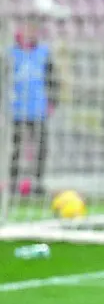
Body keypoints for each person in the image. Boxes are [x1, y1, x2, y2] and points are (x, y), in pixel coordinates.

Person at [4, 21, 59, 196]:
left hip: (39, 109)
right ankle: (13, 183)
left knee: (41, 148)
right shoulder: (10, 55)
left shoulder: (44, 54)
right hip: (17, 110)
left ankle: (37, 182)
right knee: (16, 149)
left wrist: (52, 102)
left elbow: (53, 80)